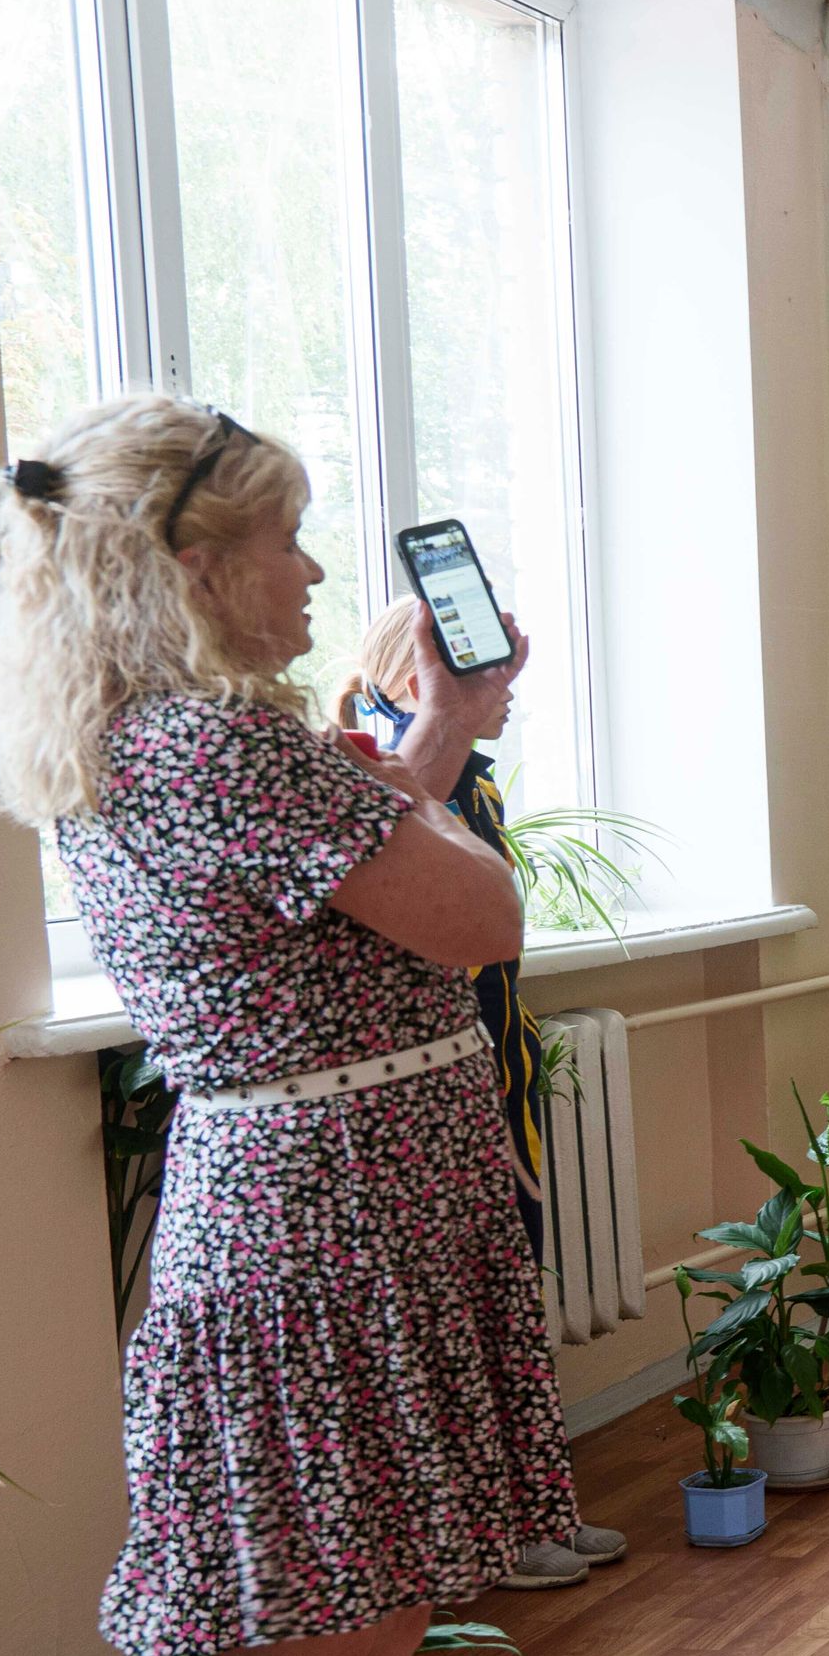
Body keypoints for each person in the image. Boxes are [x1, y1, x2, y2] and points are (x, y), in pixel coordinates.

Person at [0, 397, 574, 1656]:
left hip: (343, 1213)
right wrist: (438, 765)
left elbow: (381, 884)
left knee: (364, 1622)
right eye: (285, 540)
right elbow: (479, 921)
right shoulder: (222, 754)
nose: (313, 570)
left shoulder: (201, 746)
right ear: (194, 566)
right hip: (319, 1233)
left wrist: (425, 745)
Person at [339, 601, 628, 1593]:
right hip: (424, 1099)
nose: (506, 697)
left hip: (494, 1075)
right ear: (419, 681)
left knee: (511, 1296)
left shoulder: (473, 783)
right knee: (459, 1325)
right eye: (488, 678)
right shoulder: (377, 775)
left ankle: (535, 1507)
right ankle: (488, 1533)